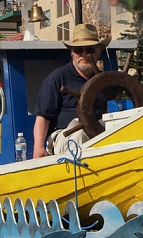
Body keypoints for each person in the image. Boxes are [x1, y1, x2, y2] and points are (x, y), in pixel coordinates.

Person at [33, 23, 111, 158]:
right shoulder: (57, 78)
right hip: (64, 135)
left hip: (99, 131)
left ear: (98, 51)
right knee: (81, 133)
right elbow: (43, 117)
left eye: (90, 50)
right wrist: (38, 147)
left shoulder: (106, 81)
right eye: (79, 50)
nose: (84, 54)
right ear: (72, 53)